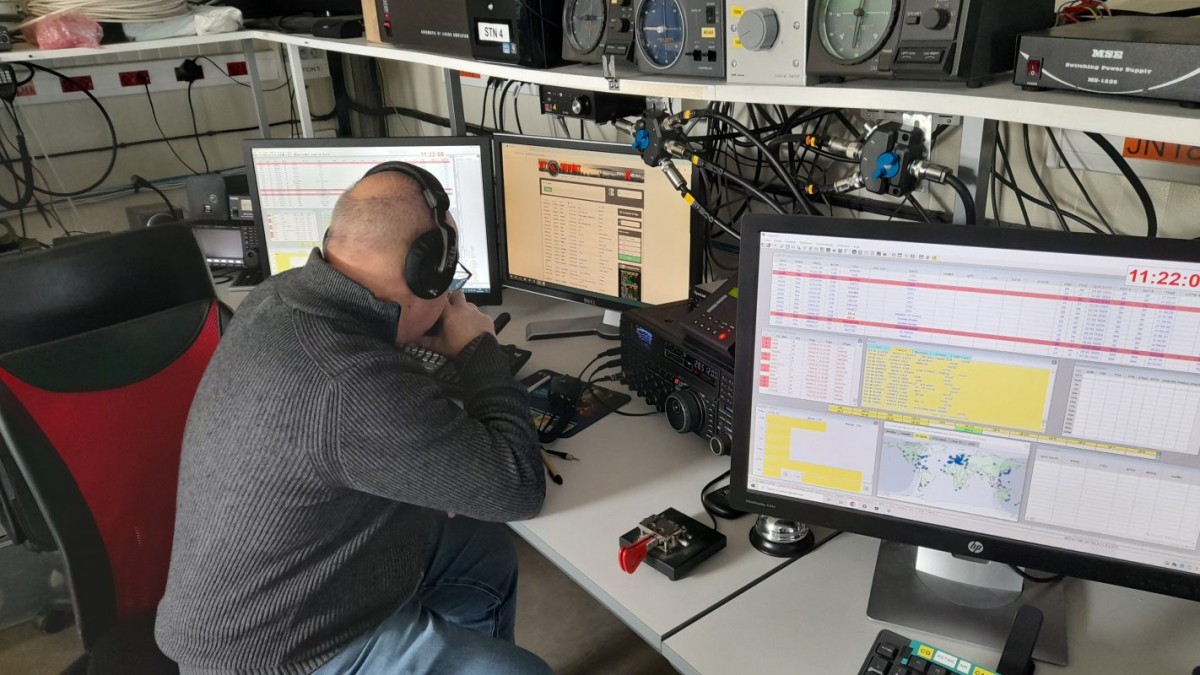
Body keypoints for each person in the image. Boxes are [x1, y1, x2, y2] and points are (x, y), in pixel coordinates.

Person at [155, 163, 550, 674]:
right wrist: (478, 349)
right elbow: (516, 489)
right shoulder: (350, 382)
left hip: (275, 585)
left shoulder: (279, 295)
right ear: (428, 275)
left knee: (481, 550)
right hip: (275, 651)